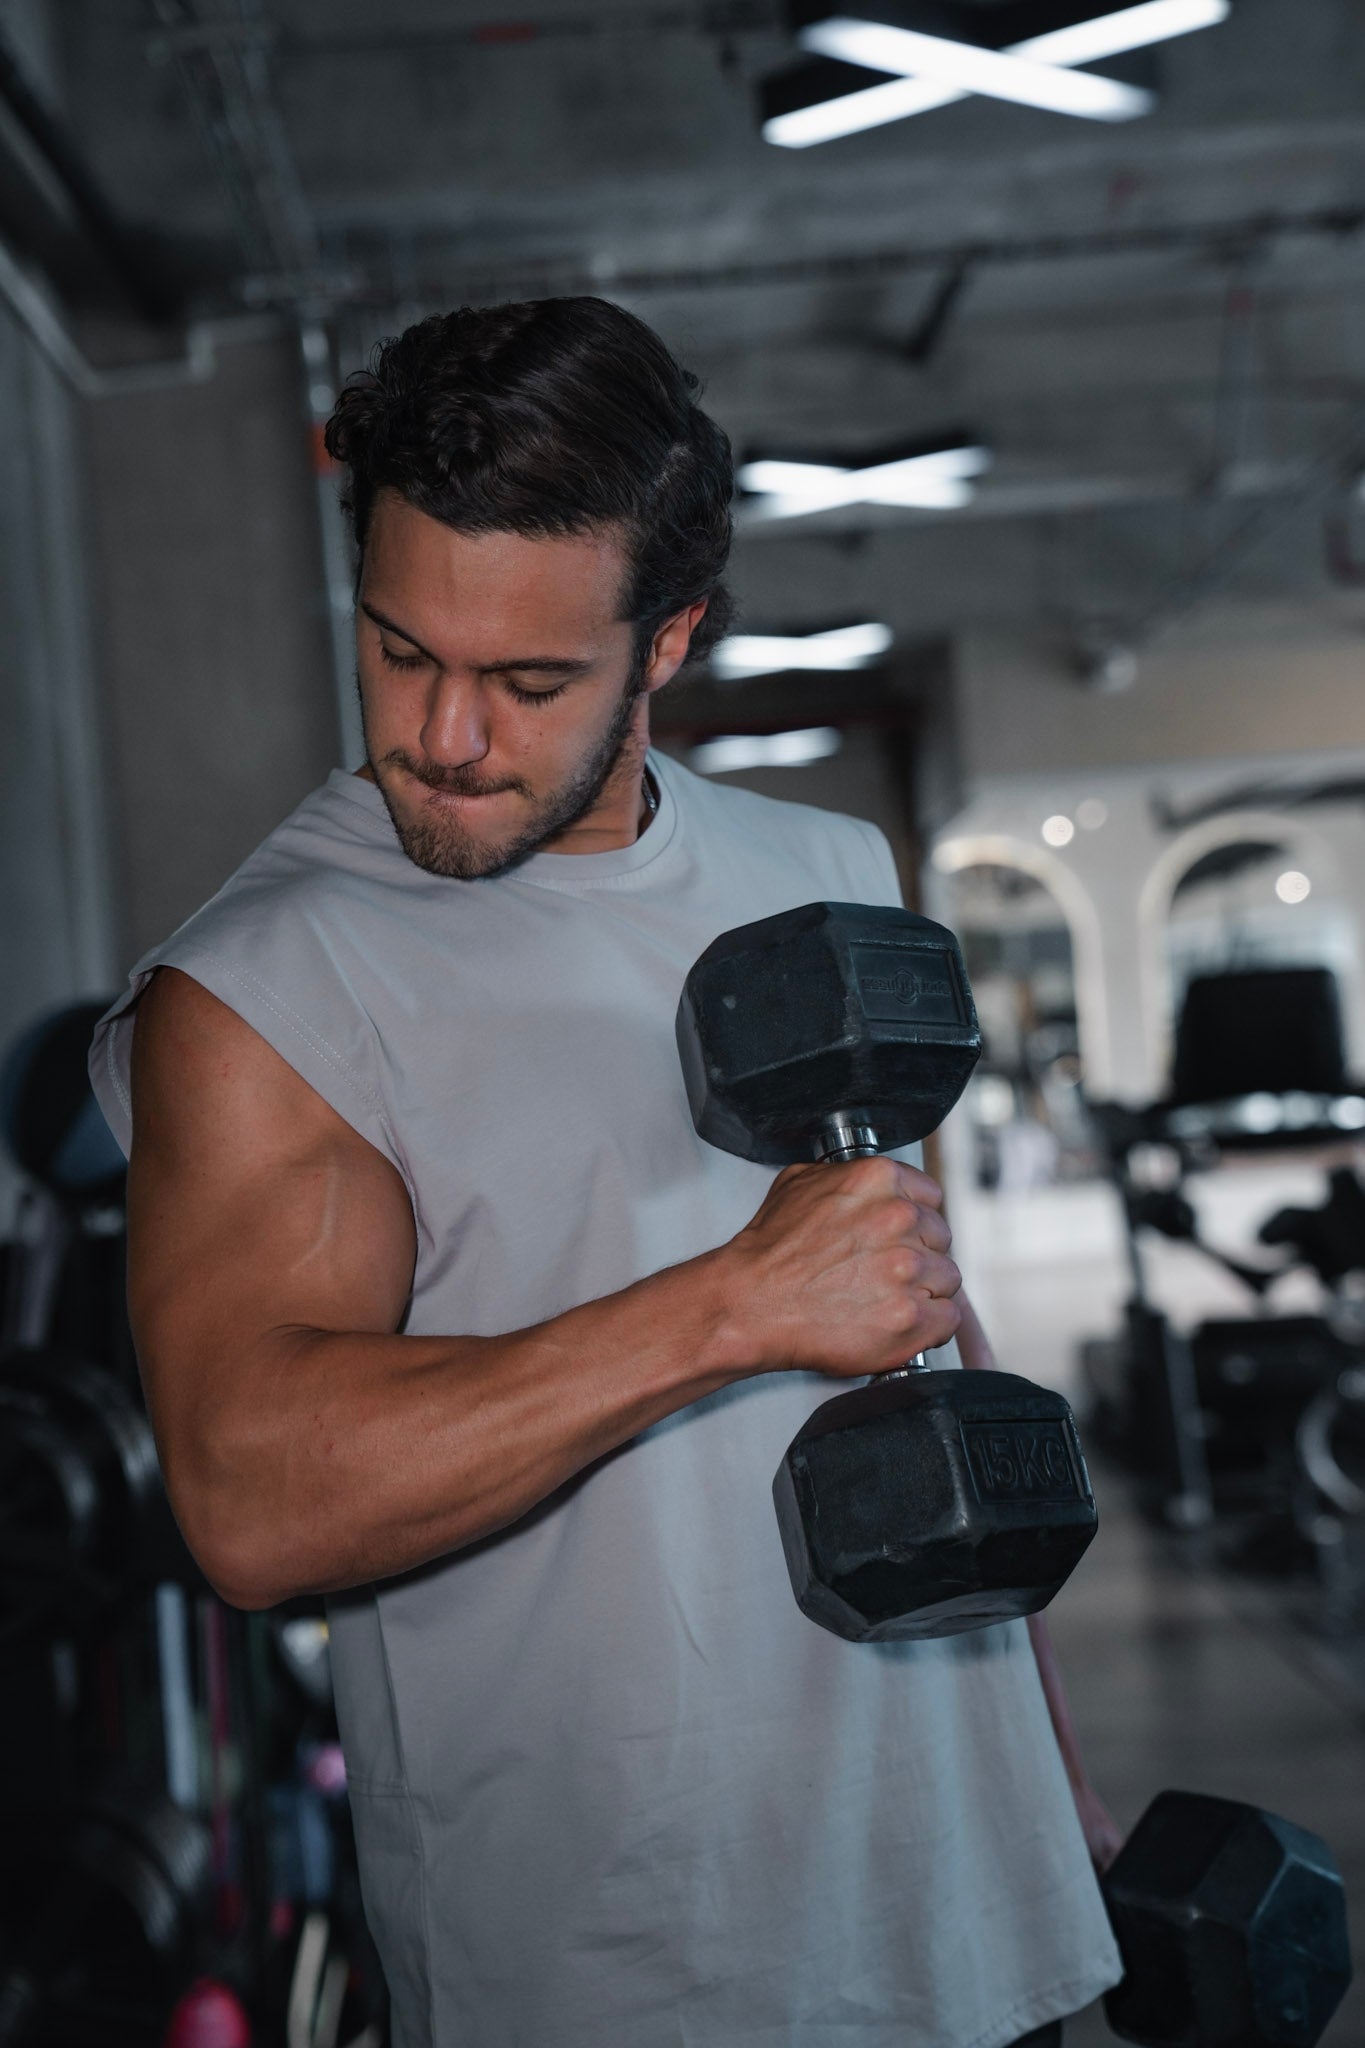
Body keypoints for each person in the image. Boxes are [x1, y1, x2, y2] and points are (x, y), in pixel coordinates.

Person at [90, 297, 1123, 2048]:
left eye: (527, 680)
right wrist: (724, 1309)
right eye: (399, 649)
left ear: (668, 643)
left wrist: (1053, 1797)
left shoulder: (825, 869)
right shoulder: (270, 987)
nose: (447, 738)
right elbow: (250, 1500)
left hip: (972, 1904)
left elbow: (915, 1354)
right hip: (629, 1967)